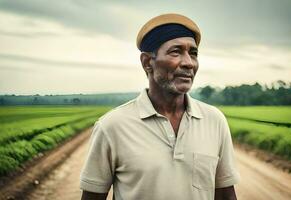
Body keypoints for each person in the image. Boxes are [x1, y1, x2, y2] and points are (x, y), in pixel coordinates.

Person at [80, 13, 240, 200]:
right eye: (176, 51)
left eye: (193, 53)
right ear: (148, 62)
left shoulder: (214, 120)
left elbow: (225, 195)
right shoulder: (112, 126)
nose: (189, 63)